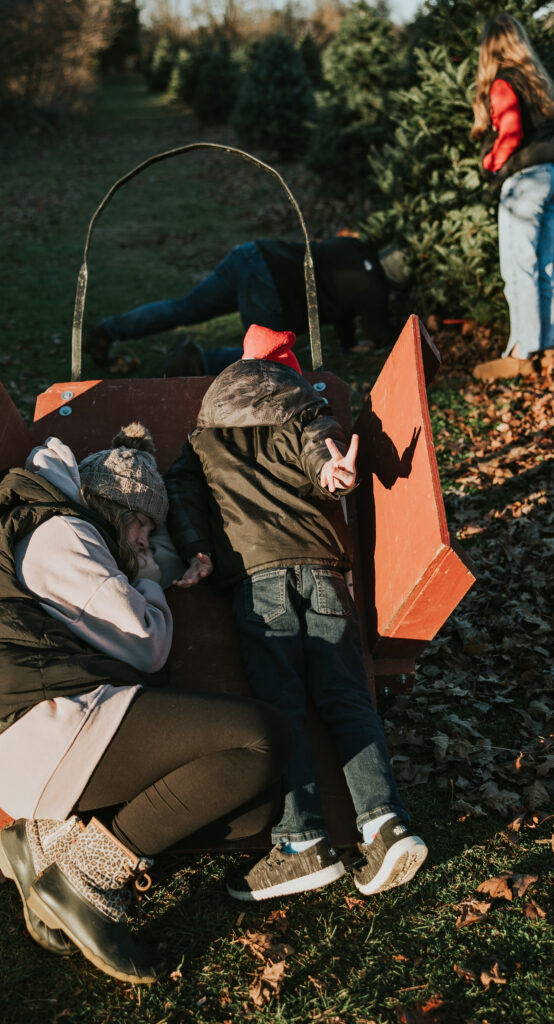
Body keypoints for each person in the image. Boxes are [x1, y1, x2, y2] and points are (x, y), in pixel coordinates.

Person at [0, 424, 291, 984]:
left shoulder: (68, 528)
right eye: (141, 525)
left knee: (255, 803)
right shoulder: (58, 533)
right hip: (35, 728)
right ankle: (84, 877)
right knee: (260, 738)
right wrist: (153, 578)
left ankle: (45, 838)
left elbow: (133, 598)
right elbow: (147, 643)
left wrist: (155, 556)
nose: (145, 540)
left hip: (56, 719)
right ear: (111, 509)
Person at [165, 324, 428, 902]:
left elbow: (182, 494)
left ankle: (300, 839)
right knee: (346, 696)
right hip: (324, 573)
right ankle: (386, 825)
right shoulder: (304, 415)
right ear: (287, 378)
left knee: (280, 707)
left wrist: (197, 550)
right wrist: (333, 475)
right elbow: (321, 450)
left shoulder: (202, 441)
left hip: (260, 586)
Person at [85, 236, 409, 368]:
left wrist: (349, 343)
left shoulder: (356, 248)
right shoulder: (375, 289)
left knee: (187, 308)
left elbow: (339, 295)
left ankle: (108, 331)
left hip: (253, 253)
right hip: (271, 284)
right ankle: (198, 362)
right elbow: (381, 334)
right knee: (266, 359)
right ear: (393, 282)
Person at [470, 13, 554, 381]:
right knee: (548, 266)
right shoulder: (538, 81)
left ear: (490, 48)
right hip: (551, 175)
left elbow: (511, 132)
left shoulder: (503, 82)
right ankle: (548, 346)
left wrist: (490, 162)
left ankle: (522, 352)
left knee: (519, 268)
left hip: (525, 183)